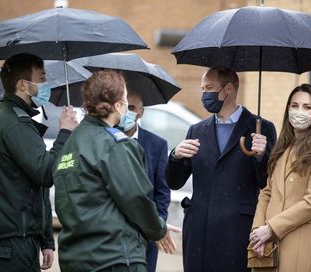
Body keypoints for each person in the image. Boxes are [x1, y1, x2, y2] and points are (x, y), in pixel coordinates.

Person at [53, 70, 179, 272]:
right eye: (125, 99)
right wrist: (158, 228)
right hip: (112, 257)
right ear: (117, 105)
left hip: (75, 257)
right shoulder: (114, 144)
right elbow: (136, 198)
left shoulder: (71, 143)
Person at [166, 66, 277, 272]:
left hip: (237, 231)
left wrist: (262, 156)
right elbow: (175, 181)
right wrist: (175, 156)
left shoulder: (261, 128)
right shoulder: (197, 130)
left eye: (209, 88)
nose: (204, 94)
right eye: (202, 88)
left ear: (228, 89)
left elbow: (267, 182)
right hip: (199, 233)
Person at [0, 53, 78, 272]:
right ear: (23, 85)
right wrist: (64, 132)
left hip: (4, 241)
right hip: (11, 246)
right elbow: (46, 173)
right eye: (41, 78)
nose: (46, 84)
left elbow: (34, 184)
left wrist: (45, 239)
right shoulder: (15, 124)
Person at [249, 84, 311, 272]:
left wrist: (271, 228)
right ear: (288, 109)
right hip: (265, 247)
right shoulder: (283, 147)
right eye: (294, 105)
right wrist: (257, 231)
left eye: (307, 107)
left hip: (296, 243)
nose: (299, 111)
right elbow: (266, 193)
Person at [122, 89, 172, 272]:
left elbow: (162, 191)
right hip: (115, 234)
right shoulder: (105, 139)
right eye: (123, 106)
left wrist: (157, 226)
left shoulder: (157, 145)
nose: (126, 112)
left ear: (141, 112)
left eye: (132, 107)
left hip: (146, 235)